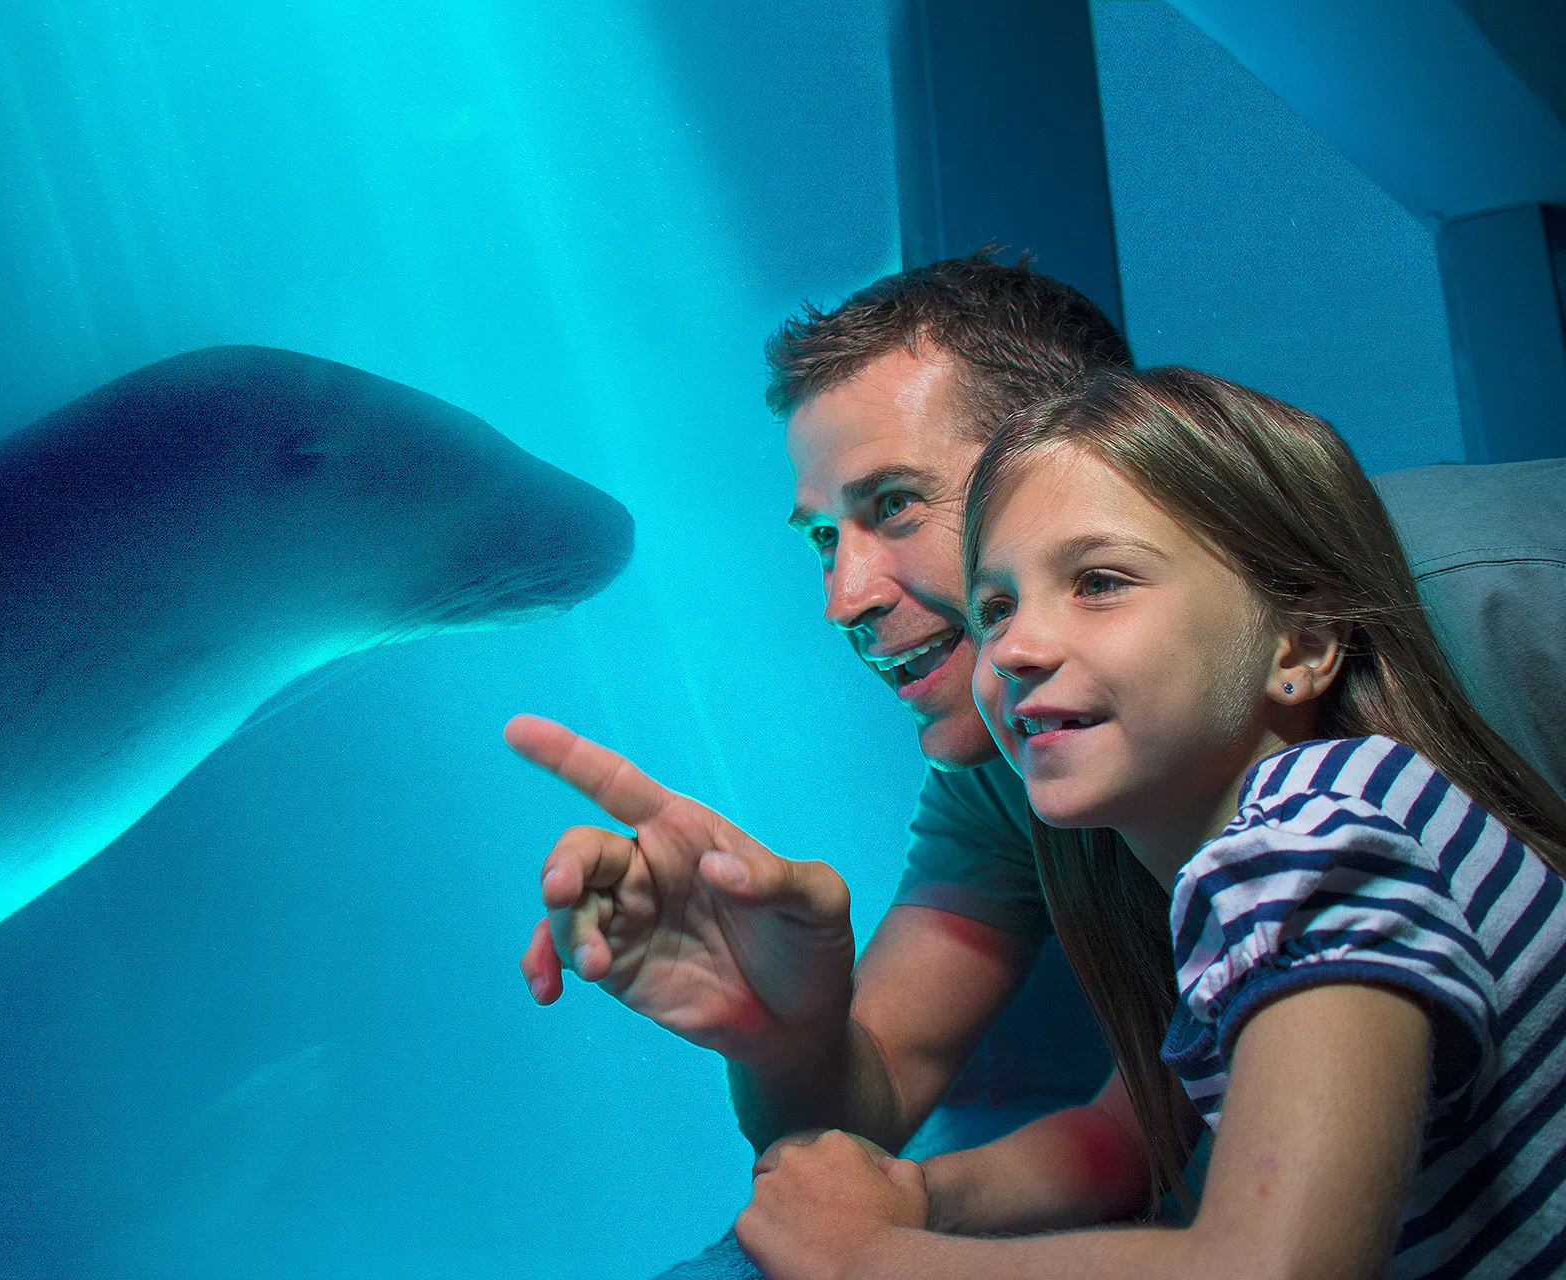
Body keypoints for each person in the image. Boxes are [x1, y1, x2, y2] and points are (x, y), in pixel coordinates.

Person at [505, 254, 1566, 1238]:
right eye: (826, 537)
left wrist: (876, 1256)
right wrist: (780, 1025)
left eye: (894, 505)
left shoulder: (1488, 614)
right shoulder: (1034, 747)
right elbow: (1099, 1114)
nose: (841, 597)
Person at [735, 366, 1566, 1278]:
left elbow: (1272, 1270)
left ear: (1301, 643)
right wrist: (919, 1197)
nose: (1012, 647)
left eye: (1098, 583)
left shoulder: (1302, 852)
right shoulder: (1347, 811)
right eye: (997, 605)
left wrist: (869, 1258)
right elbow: (1127, 1131)